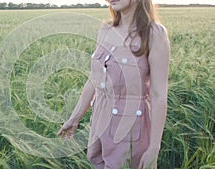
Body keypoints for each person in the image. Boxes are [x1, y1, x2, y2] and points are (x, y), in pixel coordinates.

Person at [57, 0, 170, 168]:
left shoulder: (154, 33)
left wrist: (154, 148)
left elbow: (158, 94)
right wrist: (75, 118)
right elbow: (95, 79)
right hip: (100, 122)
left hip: (131, 127)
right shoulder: (105, 30)